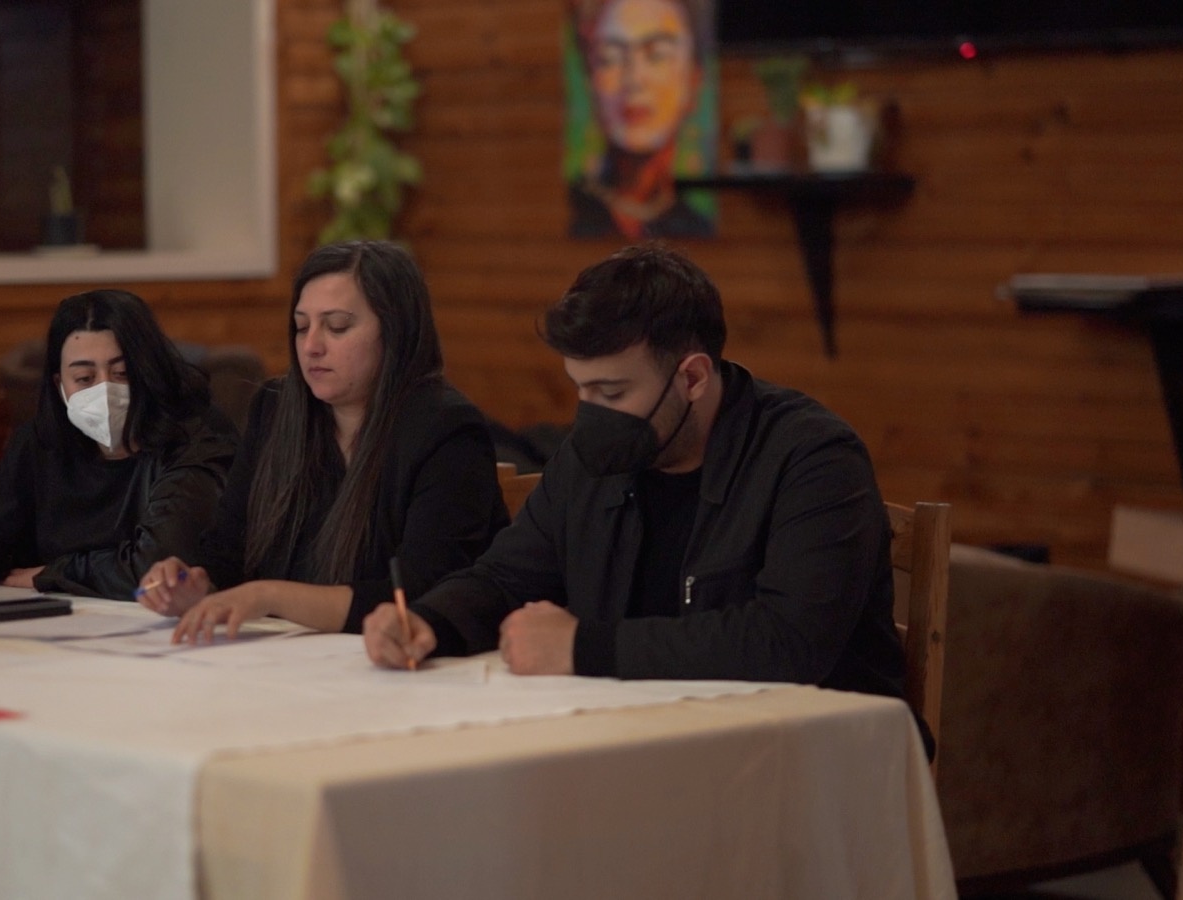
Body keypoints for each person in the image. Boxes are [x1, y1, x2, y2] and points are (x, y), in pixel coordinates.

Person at [364, 244, 906, 703]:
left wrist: (582, 648)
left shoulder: (813, 458)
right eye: (580, 388)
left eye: (612, 392)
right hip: (641, 733)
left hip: (811, 752)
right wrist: (431, 621)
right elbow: (508, 577)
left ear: (692, 378)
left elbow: (789, 641)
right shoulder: (592, 456)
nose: (590, 413)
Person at [136, 241, 509, 642]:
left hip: (399, 661)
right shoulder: (274, 410)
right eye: (301, 327)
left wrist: (268, 595)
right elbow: (227, 552)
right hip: (283, 658)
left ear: (395, 331)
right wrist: (195, 586)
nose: (311, 346)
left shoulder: (447, 430)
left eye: (337, 327)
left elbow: (422, 594)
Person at [0, 289, 238, 599]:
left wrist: (53, 574)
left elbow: (160, 566)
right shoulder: (41, 440)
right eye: (84, 379)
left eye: (122, 373)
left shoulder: (198, 437)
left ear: (150, 371)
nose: (104, 390)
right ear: (61, 385)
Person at [568, 0, 715, 240]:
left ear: (694, 79)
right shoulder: (578, 210)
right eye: (610, 57)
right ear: (590, 80)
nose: (633, 80)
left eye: (657, 55)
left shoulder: (694, 224)